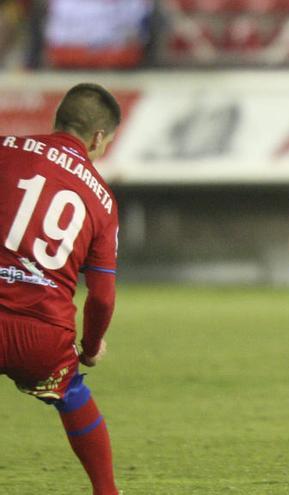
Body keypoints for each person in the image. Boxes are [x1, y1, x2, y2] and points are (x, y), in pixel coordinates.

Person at [0, 83, 122, 494]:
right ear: (98, 138)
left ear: (58, 118)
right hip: (42, 336)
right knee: (70, 392)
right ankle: (106, 491)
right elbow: (102, 296)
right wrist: (89, 348)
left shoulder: (6, 147)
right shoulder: (102, 200)